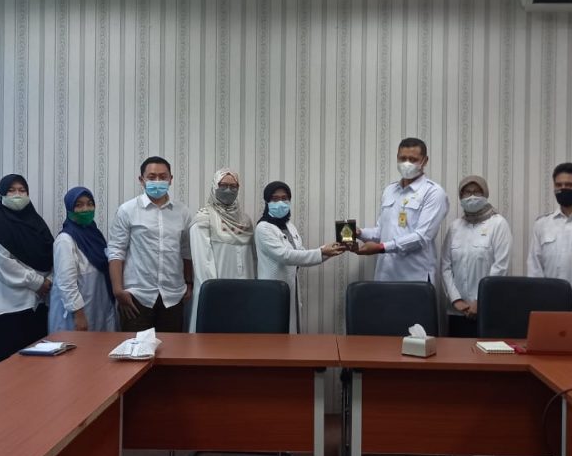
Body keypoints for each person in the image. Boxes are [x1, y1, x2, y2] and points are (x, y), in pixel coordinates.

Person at [107, 156, 193, 332]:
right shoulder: (127, 210)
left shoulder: (182, 212)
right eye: (152, 177)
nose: (158, 181)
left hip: (173, 296)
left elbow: (186, 251)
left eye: (163, 176)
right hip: (136, 297)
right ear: (141, 180)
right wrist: (118, 291)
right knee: (135, 348)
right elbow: (116, 251)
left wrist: (189, 283)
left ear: (171, 179)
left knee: (172, 348)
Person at [254, 181, 344, 333]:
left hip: (291, 286)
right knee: (274, 333)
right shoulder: (263, 228)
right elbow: (285, 256)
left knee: (291, 330)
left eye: (284, 198)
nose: (280, 202)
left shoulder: (289, 225)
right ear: (267, 202)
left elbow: (300, 253)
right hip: (272, 289)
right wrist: (322, 252)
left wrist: (328, 251)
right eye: (275, 199)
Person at [357, 138, 449, 283]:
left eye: (413, 159)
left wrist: (382, 247)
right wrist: (359, 233)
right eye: (403, 158)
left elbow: (421, 237)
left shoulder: (433, 192)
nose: (407, 163)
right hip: (385, 275)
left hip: (415, 277)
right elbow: (381, 232)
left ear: (425, 161)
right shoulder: (390, 190)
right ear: (397, 158)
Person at [441, 175, 512, 336]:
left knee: (486, 351)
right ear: (460, 196)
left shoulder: (498, 224)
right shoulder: (455, 227)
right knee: (455, 351)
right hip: (457, 311)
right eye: (467, 192)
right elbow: (445, 266)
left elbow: (501, 266)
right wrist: (456, 299)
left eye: (477, 192)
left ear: (485, 194)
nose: (472, 196)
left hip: (487, 309)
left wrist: (480, 300)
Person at [188, 168, 256, 331]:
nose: (228, 190)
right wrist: (214, 293)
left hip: (245, 289)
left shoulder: (245, 221)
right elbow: (203, 262)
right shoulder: (204, 219)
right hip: (216, 290)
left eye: (233, 186)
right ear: (214, 186)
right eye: (223, 185)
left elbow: (253, 258)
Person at [0, 174, 54, 361]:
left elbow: (51, 255)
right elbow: (4, 265)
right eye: (11, 190)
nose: (17, 195)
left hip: (39, 304)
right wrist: (38, 282)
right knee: (11, 365)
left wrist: (49, 280)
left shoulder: (36, 222)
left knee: (37, 365)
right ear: (1, 194)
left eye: (22, 190)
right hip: (11, 307)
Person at [528, 162, 572, 312]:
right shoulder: (542, 224)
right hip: (549, 308)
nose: (563, 188)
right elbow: (535, 268)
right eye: (558, 185)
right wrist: (543, 301)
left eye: (569, 185)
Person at [49, 187, 117, 333]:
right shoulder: (65, 240)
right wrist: (78, 314)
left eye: (90, 204)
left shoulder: (95, 235)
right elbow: (66, 283)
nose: (86, 209)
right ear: (69, 209)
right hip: (76, 314)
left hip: (98, 305)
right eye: (79, 205)